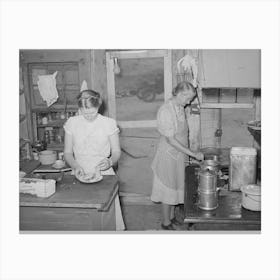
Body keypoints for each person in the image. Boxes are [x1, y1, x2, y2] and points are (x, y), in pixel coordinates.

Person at [63, 89, 125, 230]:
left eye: (92, 111)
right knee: (82, 217)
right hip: (79, 173)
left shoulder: (108, 123)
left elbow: (116, 151)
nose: (89, 116)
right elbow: (67, 152)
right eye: (85, 112)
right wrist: (75, 166)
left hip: (104, 173)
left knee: (106, 217)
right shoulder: (72, 123)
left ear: (99, 106)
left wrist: (110, 161)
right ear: (79, 108)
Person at [151, 81, 204, 230]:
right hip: (168, 155)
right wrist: (193, 154)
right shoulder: (165, 111)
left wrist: (189, 151)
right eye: (188, 99)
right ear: (180, 94)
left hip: (179, 155)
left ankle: (172, 217)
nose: (189, 102)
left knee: (175, 186)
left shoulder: (179, 107)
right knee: (167, 188)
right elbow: (171, 140)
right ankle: (165, 222)